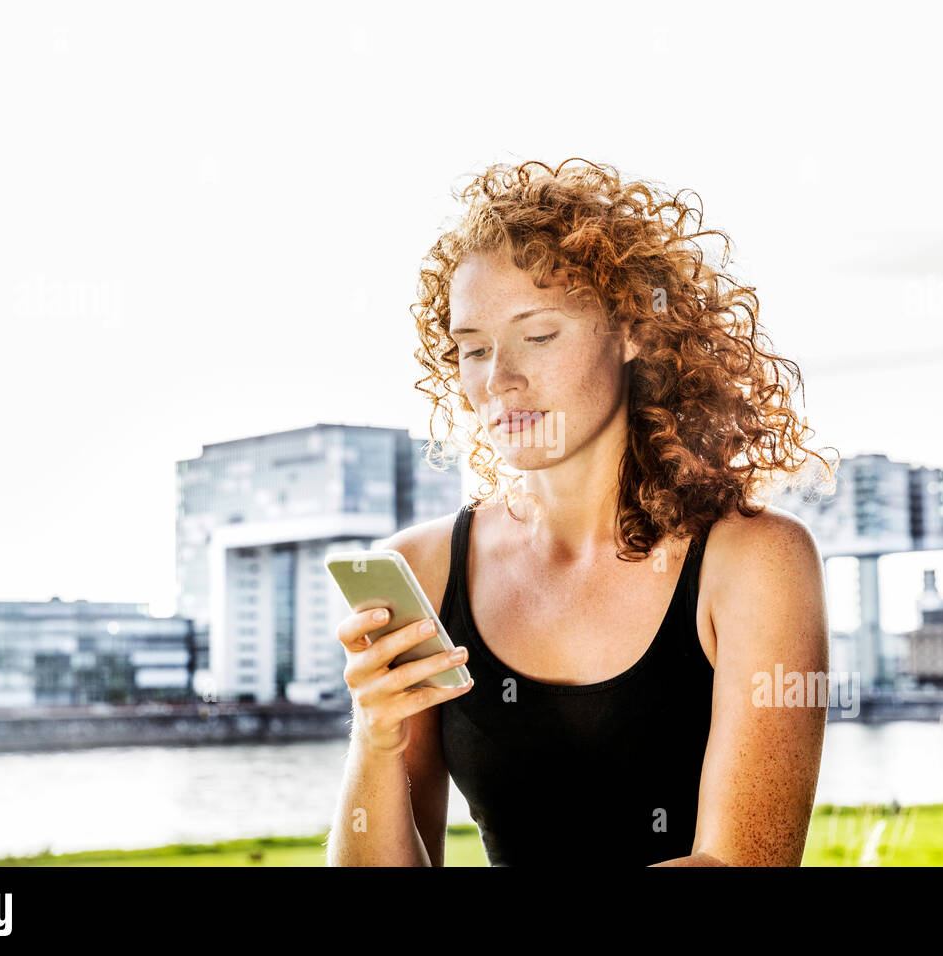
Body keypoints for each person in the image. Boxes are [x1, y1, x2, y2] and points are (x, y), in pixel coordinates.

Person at [327, 158, 837, 866]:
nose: (499, 380)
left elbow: (744, 864)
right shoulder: (421, 569)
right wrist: (375, 736)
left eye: (538, 336)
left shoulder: (756, 560)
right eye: (472, 350)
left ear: (632, 332)